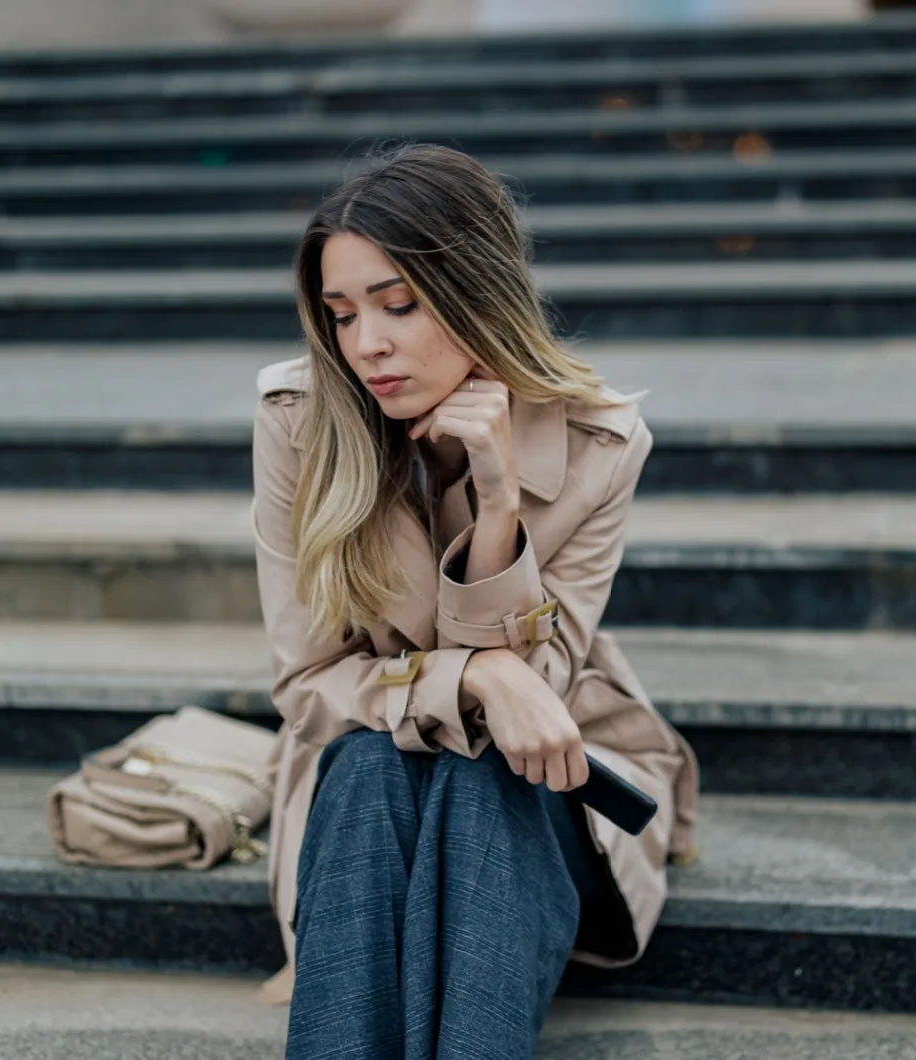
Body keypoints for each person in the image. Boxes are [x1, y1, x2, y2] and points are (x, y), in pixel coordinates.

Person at [248, 143, 700, 1060]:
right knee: (378, 765)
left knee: (482, 769)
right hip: (363, 778)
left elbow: (538, 695)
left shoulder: (601, 443)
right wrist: (477, 674)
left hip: (544, 778)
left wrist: (498, 510)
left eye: (399, 305)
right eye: (341, 315)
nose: (366, 343)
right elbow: (308, 684)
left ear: (478, 293)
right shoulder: (301, 420)